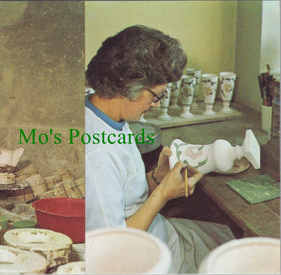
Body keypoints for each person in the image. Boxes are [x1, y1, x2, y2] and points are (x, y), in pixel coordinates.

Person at [85, 26, 235, 273]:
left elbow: (124, 195)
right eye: (157, 96)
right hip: (142, 260)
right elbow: (111, 247)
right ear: (130, 88)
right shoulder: (97, 151)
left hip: (159, 233)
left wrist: (156, 178)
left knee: (228, 238)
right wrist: (163, 193)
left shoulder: (106, 115)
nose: (156, 104)